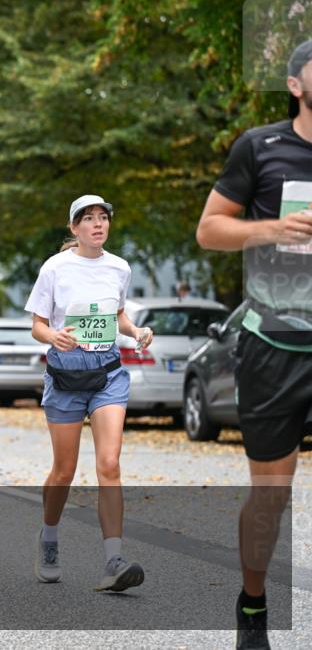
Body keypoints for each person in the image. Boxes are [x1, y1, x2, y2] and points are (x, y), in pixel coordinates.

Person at [195, 39, 312, 650]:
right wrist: (273, 227)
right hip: (275, 341)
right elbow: (209, 229)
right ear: (296, 83)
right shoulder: (260, 147)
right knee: (272, 493)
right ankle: (253, 606)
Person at [25, 194, 153, 593]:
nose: (98, 224)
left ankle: (114, 559)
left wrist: (135, 332)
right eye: (88, 219)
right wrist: (55, 336)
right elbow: (38, 326)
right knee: (64, 471)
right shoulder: (55, 268)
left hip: (108, 374)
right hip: (65, 376)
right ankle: (48, 537)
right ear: (74, 227)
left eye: (103, 218)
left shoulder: (119, 267)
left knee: (110, 464)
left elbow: (116, 316)